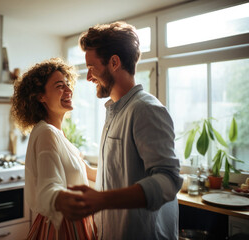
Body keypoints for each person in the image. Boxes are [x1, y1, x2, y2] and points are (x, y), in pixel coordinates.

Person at [62, 22, 183, 239]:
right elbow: (119, 176)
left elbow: (169, 180)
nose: (89, 77)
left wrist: (102, 200)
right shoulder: (115, 112)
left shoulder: (146, 109)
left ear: (114, 62)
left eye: (91, 67)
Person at [10, 58, 97, 240]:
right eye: (60, 86)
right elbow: (49, 187)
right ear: (41, 96)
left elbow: (88, 172)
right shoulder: (46, 133)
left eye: (67, 84)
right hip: (62, 229)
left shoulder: (58, 134)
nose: (68, 90)